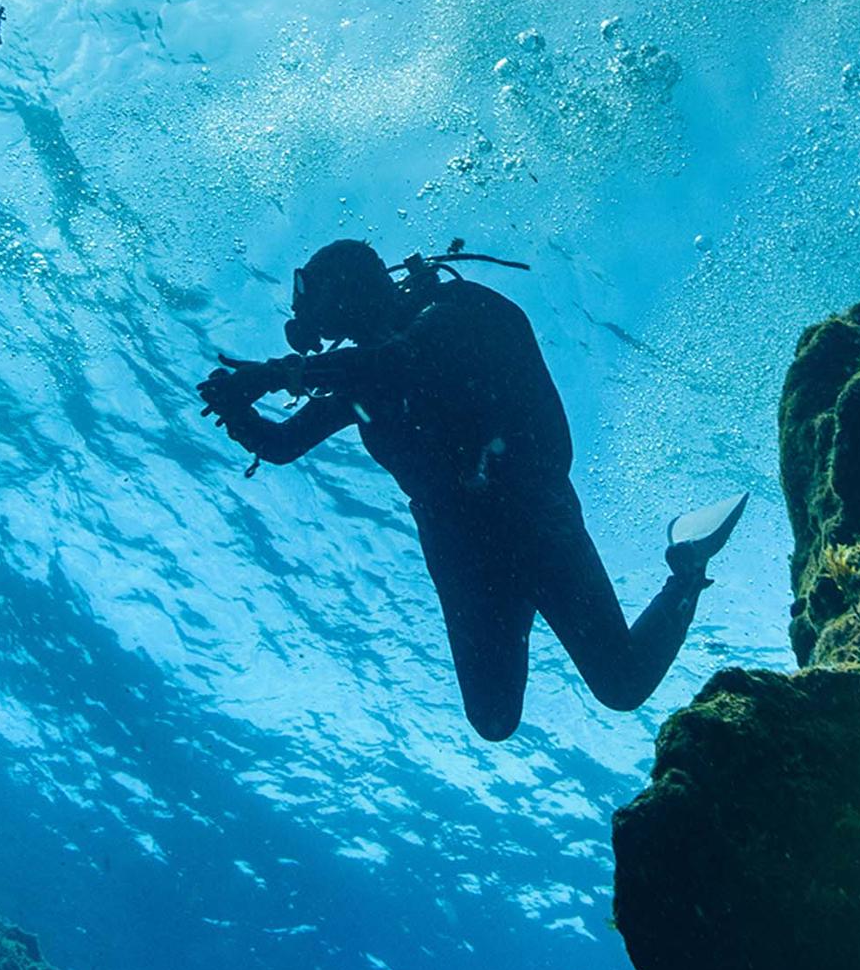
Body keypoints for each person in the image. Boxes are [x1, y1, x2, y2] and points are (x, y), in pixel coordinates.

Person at [197, 238, 746, 741]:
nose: (310, 321)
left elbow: (405, 360)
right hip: (460, 551)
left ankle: (688, 566)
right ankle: (533, 601)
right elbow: (284, 443)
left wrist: (278, 374)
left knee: (622, 685)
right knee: (493, 719)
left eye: (314, 298)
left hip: (535, 521)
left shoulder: (457, 310)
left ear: (348, 290)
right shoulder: (362, 379)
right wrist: (237, 413)